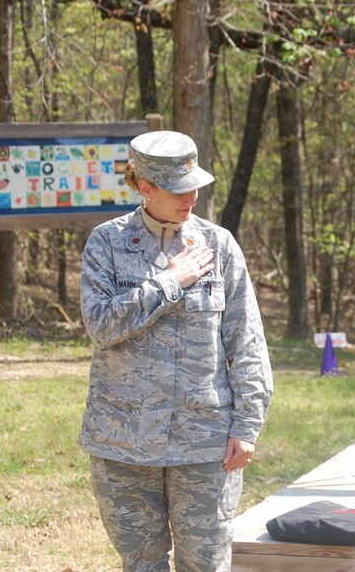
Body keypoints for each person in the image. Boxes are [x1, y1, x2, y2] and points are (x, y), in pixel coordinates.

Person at [78, 130, 273, 572]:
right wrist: (169, 281)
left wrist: (247, 425)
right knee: (141, 562)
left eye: (196, 186)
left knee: (204, 563)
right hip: (123, 440)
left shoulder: (219, 246)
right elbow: (101, 326)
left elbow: (247, 341)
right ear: (145, 187)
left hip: (203, 441)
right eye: (179, 189)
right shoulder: (106, 243)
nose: (192, 197)